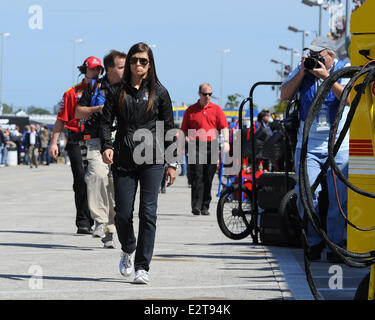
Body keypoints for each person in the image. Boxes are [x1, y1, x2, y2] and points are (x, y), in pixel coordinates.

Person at [100, 42, 176, 284]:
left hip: (152, 159)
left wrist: (172, 163)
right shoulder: (116, 91)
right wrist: (106, 146)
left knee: (148, 213)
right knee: (122, 213)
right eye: (134, 61)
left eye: (143, 61)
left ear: (150, 64)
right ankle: (128, 247)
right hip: (123, 158)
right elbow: (105, 122)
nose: (138, 65)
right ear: (129, 63)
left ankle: (143, 267)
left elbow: (169, 128)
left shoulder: (160, 92)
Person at [280, 37, 350, 263]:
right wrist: (302, 72)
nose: (315, 58)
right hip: (308, 144)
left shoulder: (345, 69)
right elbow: (285, 95)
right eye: (312, 54)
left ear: (330, 55)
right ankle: (313, 241)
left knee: (339, 197)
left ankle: (335, 243)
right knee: (306, 194)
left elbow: (349, 99)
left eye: (319, 54)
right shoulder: (304, 70)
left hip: (337, 145)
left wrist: (327, 78)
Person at [75, 50, 126, 248]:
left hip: (120, 141)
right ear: (111, 69)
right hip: (96, 139)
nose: (126, 70)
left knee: (113, 187)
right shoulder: (95, 86)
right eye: (121, 67)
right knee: (97, 175)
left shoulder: (129, 88)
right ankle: (100, 219)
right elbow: (78, 112)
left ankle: (110, 231)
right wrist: (98, 109)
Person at [49, 56, 104, 235]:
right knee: (81, 178)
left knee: (97, 179)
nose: (97, 72)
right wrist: (53, 142)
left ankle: (99, 219)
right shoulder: (71, 93)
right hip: (76, 139)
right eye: (94, 69)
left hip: (97, 139)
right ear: (85, 70)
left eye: (100, 70)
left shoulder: (104, 90)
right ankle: (83, 221)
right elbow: (61, 120)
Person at [180, 83, 229, 216]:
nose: (207, 97)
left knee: (208, 176)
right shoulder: (191, 110)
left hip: (211, 145)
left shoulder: (217, 109)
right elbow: (183, 129)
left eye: (210, 94)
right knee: (197, 175)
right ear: (199, 94)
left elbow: (224, 127)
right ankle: (196, 205)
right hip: (195, 145)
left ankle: (205, 205)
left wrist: (225, 142)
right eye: (204, 94)